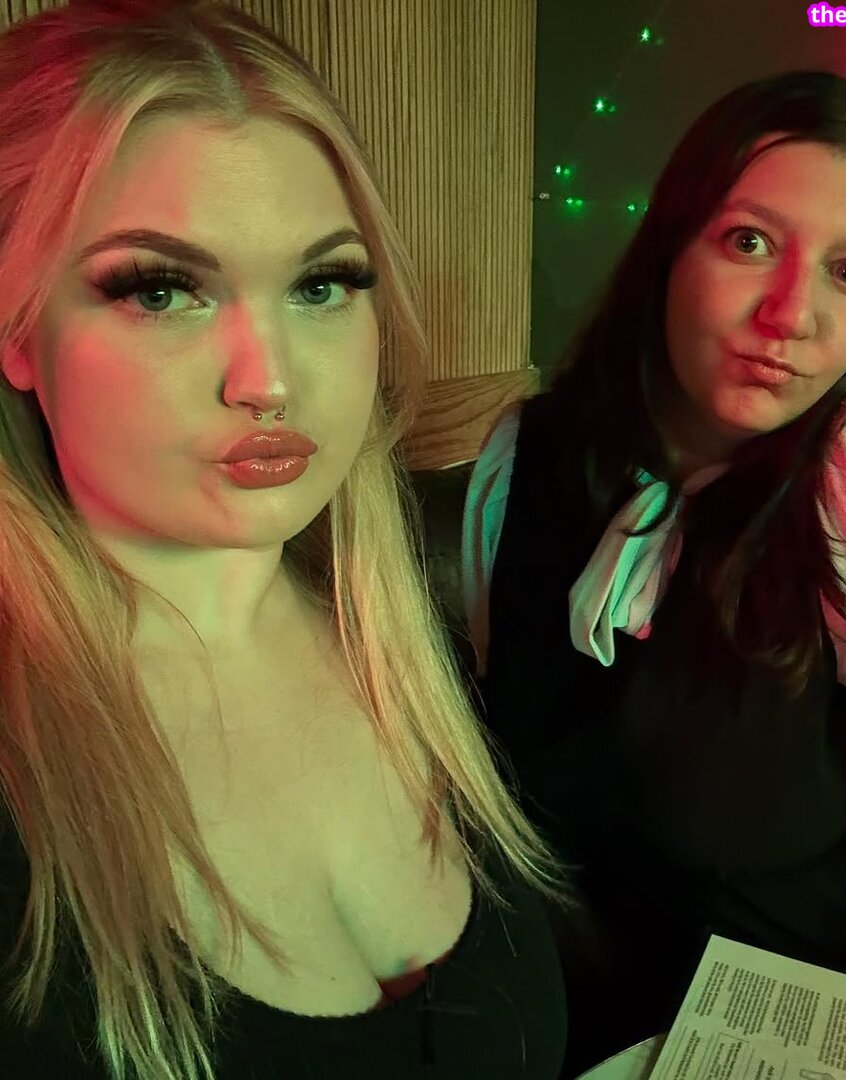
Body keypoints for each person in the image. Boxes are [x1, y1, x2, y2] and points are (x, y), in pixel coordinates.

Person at [0, 2, 567, 1078]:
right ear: (17, 329)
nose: (269, 379)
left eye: (322, 284)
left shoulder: (405, 654)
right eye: (161, 289)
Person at [463, 70, 846, 1075]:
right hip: (558, 1028)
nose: (793, 315)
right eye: (750, 242)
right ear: (669, 248)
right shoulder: (529, 453)